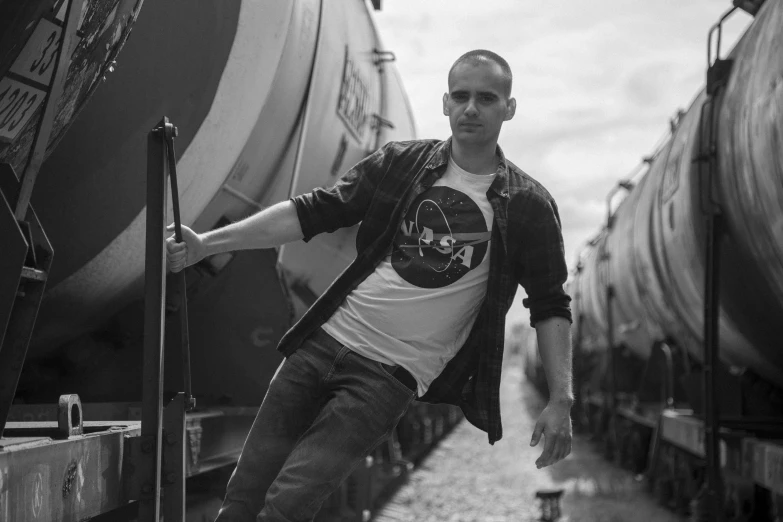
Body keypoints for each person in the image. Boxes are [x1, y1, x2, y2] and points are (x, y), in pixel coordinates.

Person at [167, 49, 574, 522]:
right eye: (461, 96)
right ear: (445, 102)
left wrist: (561, 399)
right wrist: (208, 244)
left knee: (287, 505)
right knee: (243, 495)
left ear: (509, 107)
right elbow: (313, 211)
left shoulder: (529, 207)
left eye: (487, 98)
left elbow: (549, 305)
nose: (471, 108)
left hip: (386, 379)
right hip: (320, 345)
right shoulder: (403, 162)